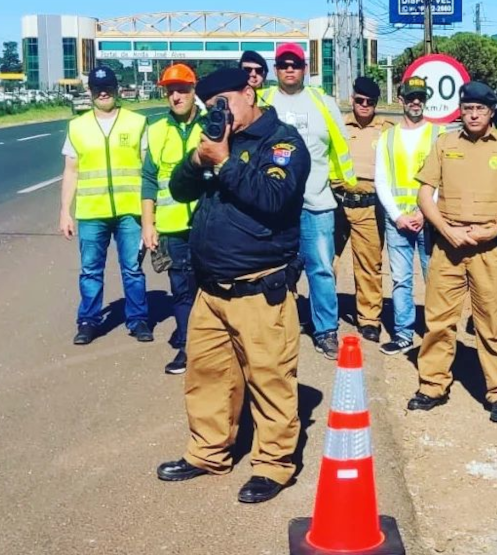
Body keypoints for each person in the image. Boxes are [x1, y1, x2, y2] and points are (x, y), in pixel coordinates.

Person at [156, 68, 310, 505]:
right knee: (207, 378)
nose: (217, 112)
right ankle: (208, 452)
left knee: (270, 379)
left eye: (224, 102)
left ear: (249, 91)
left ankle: (273, 464)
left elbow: (273, 199)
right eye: (210, 107)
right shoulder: (216, 138)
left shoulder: (281, 143)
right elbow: (180, 189)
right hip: (212, 289)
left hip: (259, 291)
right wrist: (198, 160)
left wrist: (223, 161)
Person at [408, 81, 497, 424]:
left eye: (480, 109)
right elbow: (424, 194)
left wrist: (493, 230)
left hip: (490, 248)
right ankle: (432, 385)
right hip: (448, 246)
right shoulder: (445, 144)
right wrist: (445, 229)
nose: (473, 114)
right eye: (468, 108)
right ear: (460, 111)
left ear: (491, 112)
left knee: (492, 323)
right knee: (438, 321)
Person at [259, 43, 356, 360]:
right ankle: (273, 328)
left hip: (316, 202)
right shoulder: (263, 102)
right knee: (270, 269)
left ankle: (326, 329)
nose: (290, 69)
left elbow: (340, 144)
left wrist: (345, 179)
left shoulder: (323, 102)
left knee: (321, 269)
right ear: (276, 69)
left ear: (305, 68)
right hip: (273, 205)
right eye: (284, 64)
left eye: (296, 64)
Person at [58, 65, 152, 345]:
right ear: (89, 92)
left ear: (117, 89)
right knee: (90, 270)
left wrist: (151, 213)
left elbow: (148, 169)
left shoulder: (136, 122)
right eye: (97, 88)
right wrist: (65, 211)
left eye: (108, 87)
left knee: (133, 269)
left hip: (130, 211)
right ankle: (88, 320)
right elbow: (71, 170)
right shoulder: (77, 126)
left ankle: (138, 319)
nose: (103, 93)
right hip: (91, 212)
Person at [374, 76, 444, 356]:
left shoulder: (439, 134)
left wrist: (425, 212)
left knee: (435, 278)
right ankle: (403, 334)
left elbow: (443, 178)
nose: (416, 102)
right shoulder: (387, 137)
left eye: (421, 97)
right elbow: (382, 180)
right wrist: (398, 216)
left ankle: (435, 332)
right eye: (411, 97)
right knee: (401, 279)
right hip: (398, 222)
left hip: (429, 219)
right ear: (400, 100)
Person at [141, 64, 203, 374]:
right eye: (170, 91)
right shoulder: (154, 131)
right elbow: (149, 181)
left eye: (182, 89)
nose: (176, 96)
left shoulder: (211, 126)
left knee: (212, 287)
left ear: (194, 90)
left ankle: (216, 347)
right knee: (181, 289)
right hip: (172, 226)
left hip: (207, 225)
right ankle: (186, 349)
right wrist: (148, 224)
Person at [332, 76, 391, 343]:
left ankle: (369, 319)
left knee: (368, 265)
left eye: (369, 102)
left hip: (369, 206)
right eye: (359, 100)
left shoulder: (387, 129)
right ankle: (324, 315)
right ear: (352, 100)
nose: (364, 105)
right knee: (325, 262)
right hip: (336, 202)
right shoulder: (339, 126)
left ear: (376, 103)